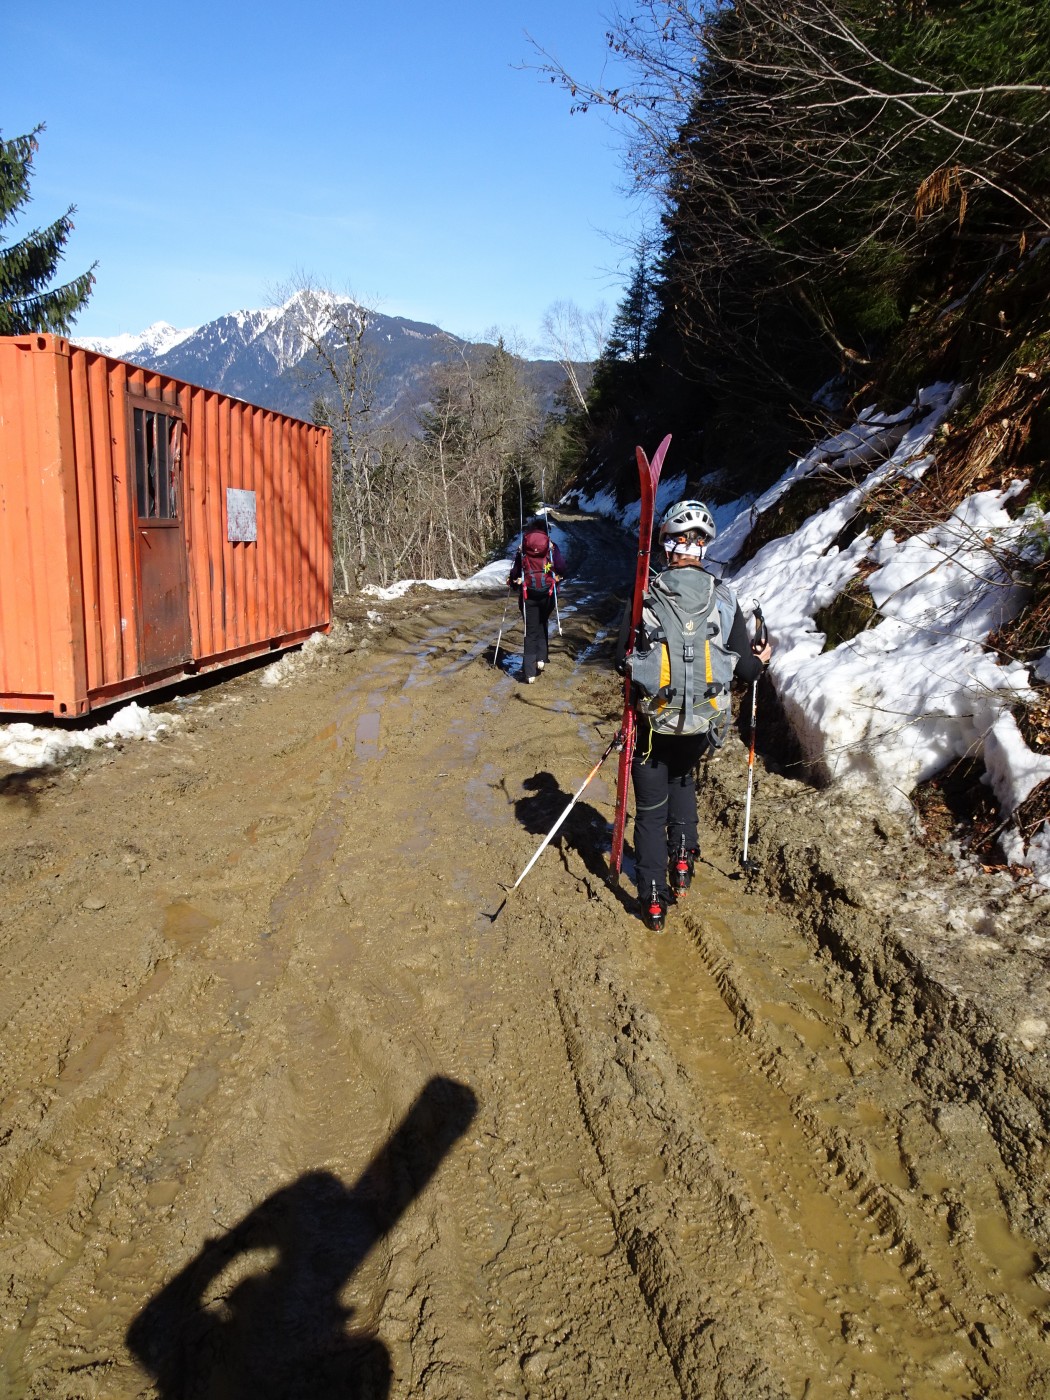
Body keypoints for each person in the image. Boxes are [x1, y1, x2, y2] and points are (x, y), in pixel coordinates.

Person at [616, 499, 772, 932]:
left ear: (667, 544)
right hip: (702, 725)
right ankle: (682, 862)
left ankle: (652, 900)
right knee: (683, 778)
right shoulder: (724, 597)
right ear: (704, 546)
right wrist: (763, 659)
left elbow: (619, 660)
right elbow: (746, 670)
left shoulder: (644, 593)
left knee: (651, 812)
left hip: (654, 725)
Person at [508, 520, 567, 684]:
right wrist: (554, 574)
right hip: (548, 594)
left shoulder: (524, 548)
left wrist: (513, 580)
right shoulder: (551, 546)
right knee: (542, 621)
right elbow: (561, 567)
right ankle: (541, 658)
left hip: (528, 595)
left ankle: (529, 672)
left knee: (531, 630)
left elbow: (515, 571)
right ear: (545, 531)